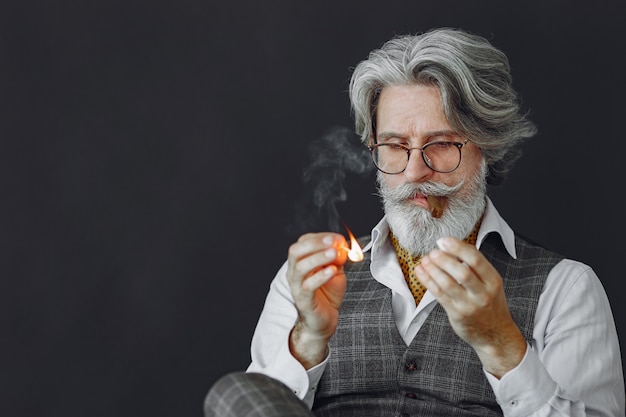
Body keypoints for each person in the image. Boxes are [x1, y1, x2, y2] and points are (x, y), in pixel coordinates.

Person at [204, 27, 625, 416]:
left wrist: (502, 344)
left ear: (486, 146)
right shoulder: (305, 284)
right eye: (394, 146)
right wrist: (308, 340)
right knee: (232, 392)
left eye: (441, 144)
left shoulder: (565, 289)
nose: (413, 172)